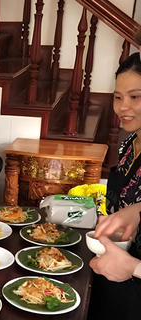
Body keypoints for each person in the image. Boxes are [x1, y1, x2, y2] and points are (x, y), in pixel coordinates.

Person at [87, 52, 141, 320]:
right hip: (114, 271)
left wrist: (133, 267)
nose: (122, 107)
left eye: (135, 97)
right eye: (118, 97)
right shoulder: (127, 145)